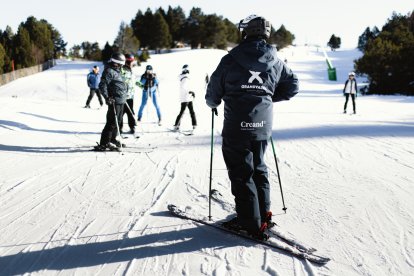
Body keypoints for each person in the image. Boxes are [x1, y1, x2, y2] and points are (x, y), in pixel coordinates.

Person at [205, 14, 299, 239]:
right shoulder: (275, 60)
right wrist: (265, 97)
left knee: (241, 172)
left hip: (237, 123)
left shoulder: (231, 58)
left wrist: (213, 102)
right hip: (262, 123)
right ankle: (263, 215)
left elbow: (213, 90)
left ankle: (250, 224)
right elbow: (292, 86)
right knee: (258, 167)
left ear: (245, 31)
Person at [94, 53, 128, 151]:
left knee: (119, 121)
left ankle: (113, 140)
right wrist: (107, 97)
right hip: (114, 100)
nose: (122, 65)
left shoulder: (118, 71)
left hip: (121, 100)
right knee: (111, 122)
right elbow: (102, 85)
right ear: (117, 63)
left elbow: (121, 84)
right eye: (121, 64)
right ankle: (104, 143)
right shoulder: (109, 71)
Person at [173, 64, 197, 131]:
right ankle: (176, 125)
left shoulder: (185, 77)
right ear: (186, 70)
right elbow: (184, 87)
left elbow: (186, 87)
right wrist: (190, 92)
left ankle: (194, 125)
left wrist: (191, 92)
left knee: (191, 112)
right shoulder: (185, 78)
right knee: (184, 112)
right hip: (186, 98)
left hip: (187, 98)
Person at [120, 54, 138, 134]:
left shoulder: (132, 70)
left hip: (130, 96)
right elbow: (121, 82)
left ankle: (132, 127)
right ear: (127, 62)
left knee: (131, 112)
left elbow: (134, 81)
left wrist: (143, 86)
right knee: (121, 113)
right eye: (131, 62)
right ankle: (119, 129)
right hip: (122, 96)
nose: (132, 63)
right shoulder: (122, 70)